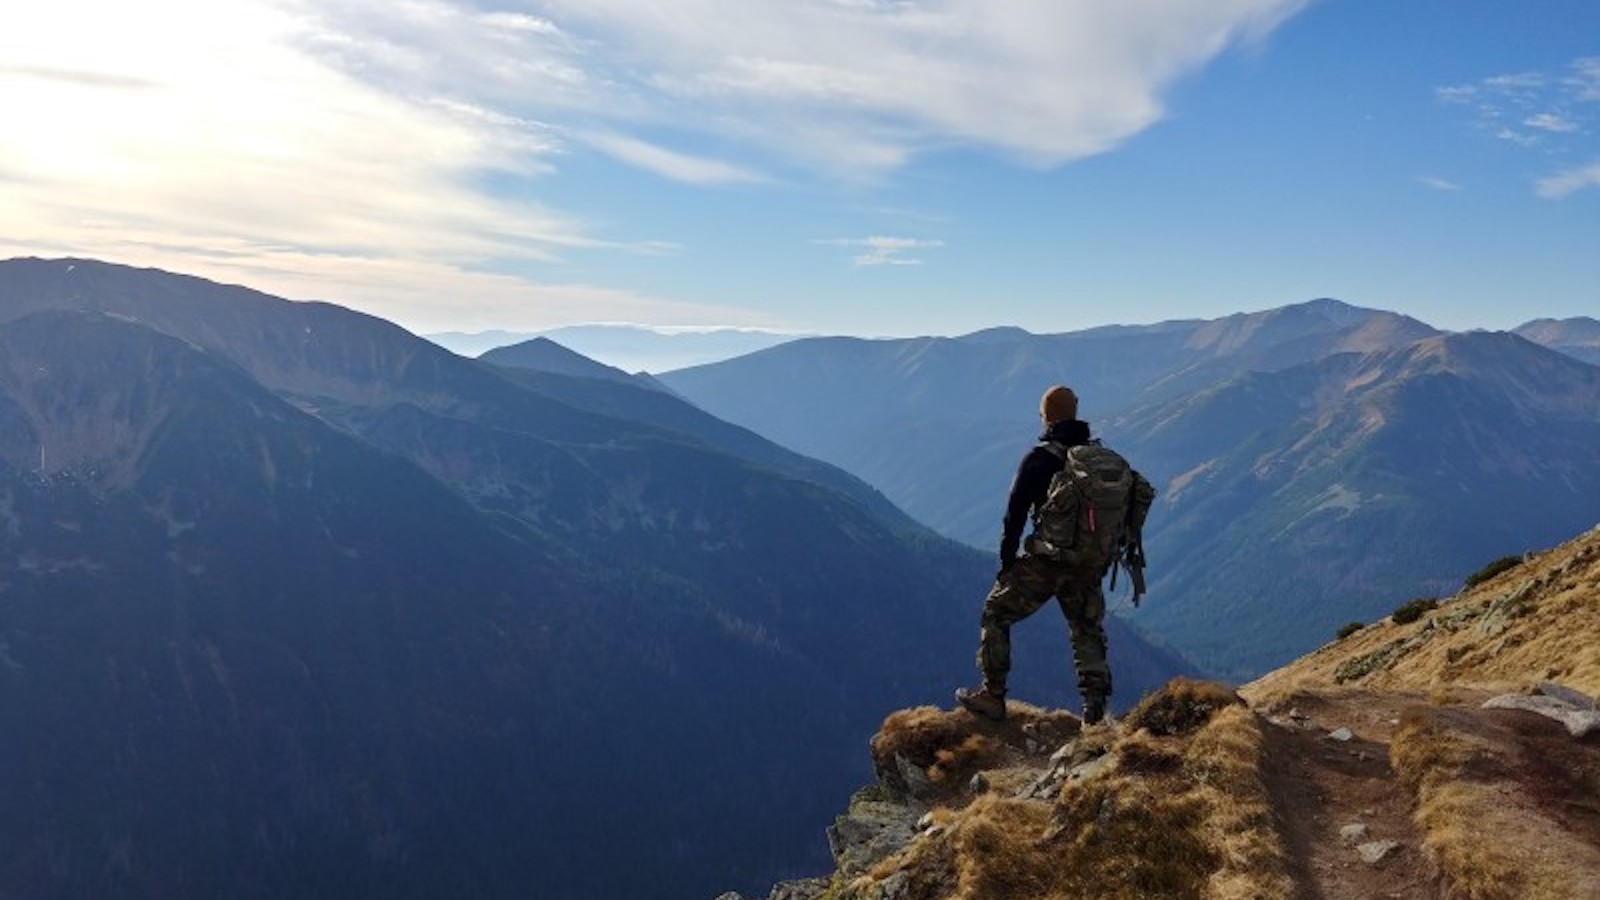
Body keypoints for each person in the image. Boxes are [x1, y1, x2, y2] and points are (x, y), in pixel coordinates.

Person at [956, 385, 1155, 725]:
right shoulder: (1099, 460)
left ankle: (993, 694)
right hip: (1089, 563)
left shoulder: (1040, 458)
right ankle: (1094, 710)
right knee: (1086, 629)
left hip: (1047, 562)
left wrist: (1006, 563)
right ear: (1074, 414)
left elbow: (1014, 514)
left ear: (1047, 416)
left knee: (996, 613)